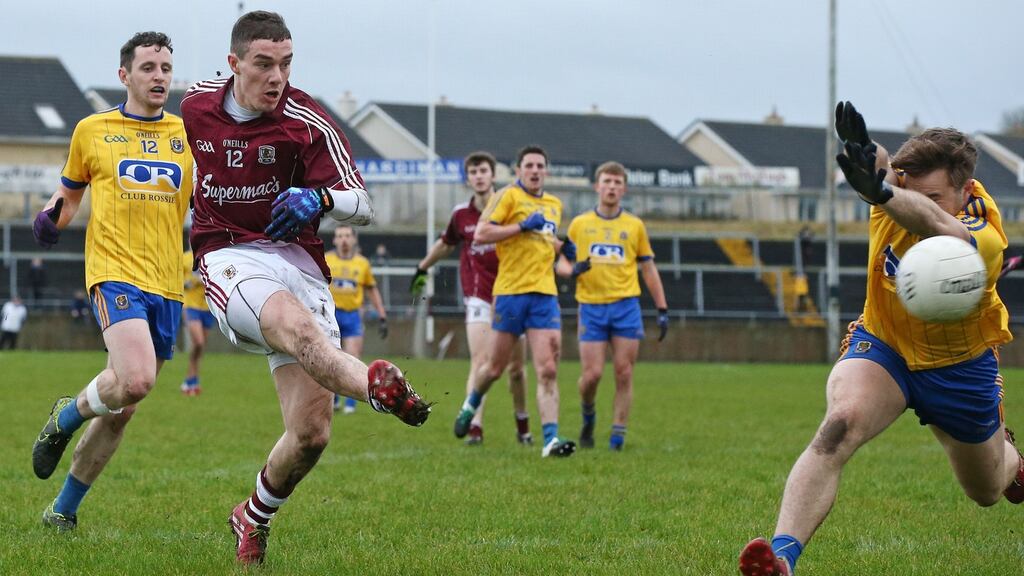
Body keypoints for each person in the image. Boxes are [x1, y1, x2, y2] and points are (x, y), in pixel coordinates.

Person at [179, 11, 430, 565]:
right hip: (229, 255)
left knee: (312, 433)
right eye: (264, 64)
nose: (277, 77)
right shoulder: (195, 104)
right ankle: (378, 388)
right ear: (234, 63)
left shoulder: (306, 120)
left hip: (299, 262)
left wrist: (320, 199)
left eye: (286, 64)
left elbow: (362, 202)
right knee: (296, 327)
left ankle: (252, 516)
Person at [738, 102, 1024, 576]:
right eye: (910, 187)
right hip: (884, 345)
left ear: (965, 189)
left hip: (959, 367)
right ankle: (782, 558)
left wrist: (887, 192)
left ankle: (1013, 463)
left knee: (987, 490)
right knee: (839, 425)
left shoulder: (984, 233)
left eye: (934, 196)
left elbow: (941, 227)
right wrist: (867, 152)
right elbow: (882, 166)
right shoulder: (892, 188)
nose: (918, 199)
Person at [30, 32, 194, 532]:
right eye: (148, 68)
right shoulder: (92, 130)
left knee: (123, 407)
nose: (159, 77)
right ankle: (66, 417)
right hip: (113, 272)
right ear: (124, 75)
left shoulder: (188, 136)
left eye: (166, 68)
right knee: (137, 379)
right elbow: (67, 197)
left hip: (168, 281)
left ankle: (62, 510)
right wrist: (49, 220)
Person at [452, 145, 576, 457]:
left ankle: (550, 440)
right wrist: (521, 225)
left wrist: (563, 248)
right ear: (518, 170)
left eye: (540, 166)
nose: (535, 171)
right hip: (509, 294)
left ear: (546, 171)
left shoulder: (554, 204)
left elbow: (543, 240)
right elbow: (482, 233)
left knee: (548, 368)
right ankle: (471, 403)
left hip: (544, 295)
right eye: (529, 165)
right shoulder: (506, 196)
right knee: (494, 368)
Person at [410, 151, 530, 445]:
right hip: (478, 296)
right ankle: (474, 426)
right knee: (481, 361)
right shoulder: (461, 215)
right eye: (473, 172)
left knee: (516, 369)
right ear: (468, 179)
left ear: (493, 176)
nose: (479, 176)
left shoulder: (510, 209)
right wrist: (422, 268)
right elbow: (445, 244)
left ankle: (523, 426)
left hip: (511, 294)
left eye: (483, 171)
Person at [557, 161, 668, 451]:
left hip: (625, 306)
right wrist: (572, 270)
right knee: (592, 375)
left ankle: (617, 437)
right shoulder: (580, 224)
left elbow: (648, 268)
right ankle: (588, 414)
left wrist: (662, 308)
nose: (612, 187)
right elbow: (561, 261)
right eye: (607, 181)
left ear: (624, 189)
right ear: (597, 186)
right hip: (591, 307)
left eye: (617, 183)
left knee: (624, 372)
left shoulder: (634, 226)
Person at [325, 225, 388, 413]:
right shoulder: (326, 259)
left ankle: (351, 404)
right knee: (330, 358)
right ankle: (334, 399)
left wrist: (382, 315)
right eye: (340, 236)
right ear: (335, 240)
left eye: (347, 236)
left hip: (352, 315)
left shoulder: (362, 263)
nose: (344, 239)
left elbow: (371, 289)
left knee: (353, 357)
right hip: (331, 315)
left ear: (354, 240)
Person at [181, 249, 215, 396]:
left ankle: (192, 380)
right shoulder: (185, 258)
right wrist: (188, 282)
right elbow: (176, 280)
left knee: (199, 347)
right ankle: (191, 379)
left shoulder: (210, 257)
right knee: (199, 342)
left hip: (207, 307)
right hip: (190, 305)